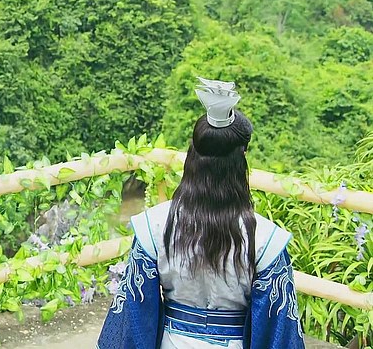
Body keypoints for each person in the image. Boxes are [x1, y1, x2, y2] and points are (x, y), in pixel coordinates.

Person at [96, 77, 305, 349]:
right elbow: (277, 330)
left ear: (192, 156)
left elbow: (135, 315)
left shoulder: (154, 226)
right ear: (241, 160)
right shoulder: (265, 240)